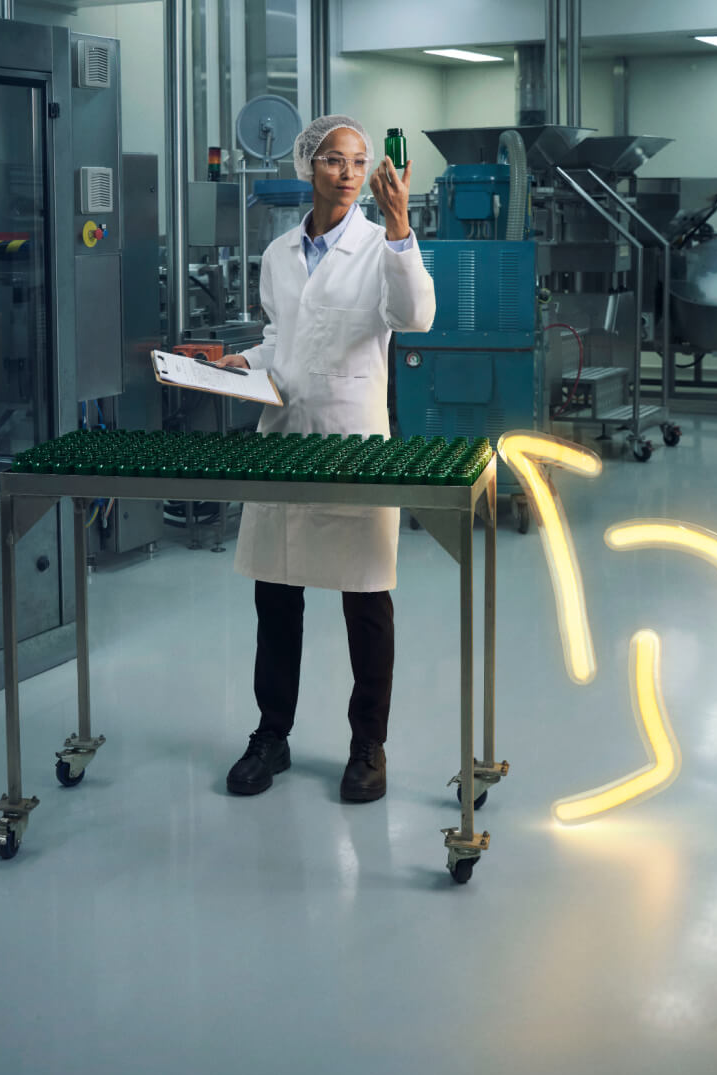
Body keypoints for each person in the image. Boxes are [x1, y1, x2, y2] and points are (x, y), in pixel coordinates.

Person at [212, 114, 436, 803]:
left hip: (349, 444)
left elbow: (414, 316)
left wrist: (400, 232)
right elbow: (281, 339)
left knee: (366, 600)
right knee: (275, 595)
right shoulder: (278, 252)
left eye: (359, 162)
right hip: (283, 438)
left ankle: (367, 746)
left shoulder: (382, 244)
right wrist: (235, 362)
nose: (347, 172)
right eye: (334, 160)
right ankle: (270, 735)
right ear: (310, 166)